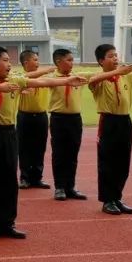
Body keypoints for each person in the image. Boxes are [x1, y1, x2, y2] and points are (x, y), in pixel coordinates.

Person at [0, 47, 85, 241]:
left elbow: (42, 82)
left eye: (10, 61)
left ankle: (8, 222)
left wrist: (66, 80)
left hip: (9, 132)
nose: (9, 64)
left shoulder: (16, 80)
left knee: (9, 179)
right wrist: (1, 88)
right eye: (5, 61)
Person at [88, 44, 132, 215]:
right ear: (101, 61)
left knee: (122, 162)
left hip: (124, 121)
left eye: (116, 55)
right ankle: (107, 200)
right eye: (111, 56)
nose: (115, 58)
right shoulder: (100, 78)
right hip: (109, 121)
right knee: (107, 162)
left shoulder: (127, 77)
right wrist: (118, 72)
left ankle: (117, 197)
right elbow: (92, 82)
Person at [47, 48, 88, 201]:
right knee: (59, 153)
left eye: (73, 60)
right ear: (58, 62)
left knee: (72, 154)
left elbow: (97, 76)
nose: (72, 63)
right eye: (69, 60)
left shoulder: (78, 77)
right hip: (58, 119)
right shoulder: (52, 78)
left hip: (75, 119)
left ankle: (70, 186)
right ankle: (59, 187)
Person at [16, 50, 55, 190]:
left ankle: (37, 177)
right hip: (25, 116)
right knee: (24, 147)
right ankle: (25, 177)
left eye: (38, 60)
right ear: (26, 62)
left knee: (39, 147)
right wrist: (46, 70)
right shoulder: (19, 77)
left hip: (41, 116)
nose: (38, 63)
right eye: (35, 60)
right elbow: (26, 77)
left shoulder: (45, 77)